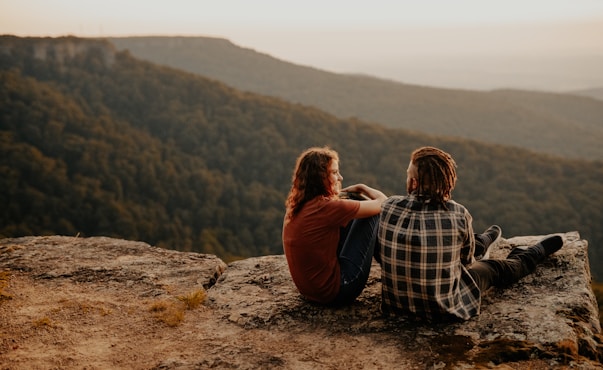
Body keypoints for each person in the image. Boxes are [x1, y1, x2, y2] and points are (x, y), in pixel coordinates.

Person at [376, 146, 563, 321]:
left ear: (414, 182)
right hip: (444, 310)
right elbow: (467, 262)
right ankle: (530, 255)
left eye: (408, 175)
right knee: (493, 268)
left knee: (451, 245)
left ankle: (483, 241)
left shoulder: (389, 206)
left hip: (397, 308)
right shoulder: (457, 213)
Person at [282, 146, 387, 306]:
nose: (340, 177)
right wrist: (362, 188)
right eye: (334, 172)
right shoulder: (327, 208)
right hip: (337, 291)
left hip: (310, 291)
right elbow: (383, 204)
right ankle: (391, 268)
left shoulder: (298, 204)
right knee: (371, 214)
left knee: (354, 205)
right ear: (319, 177)